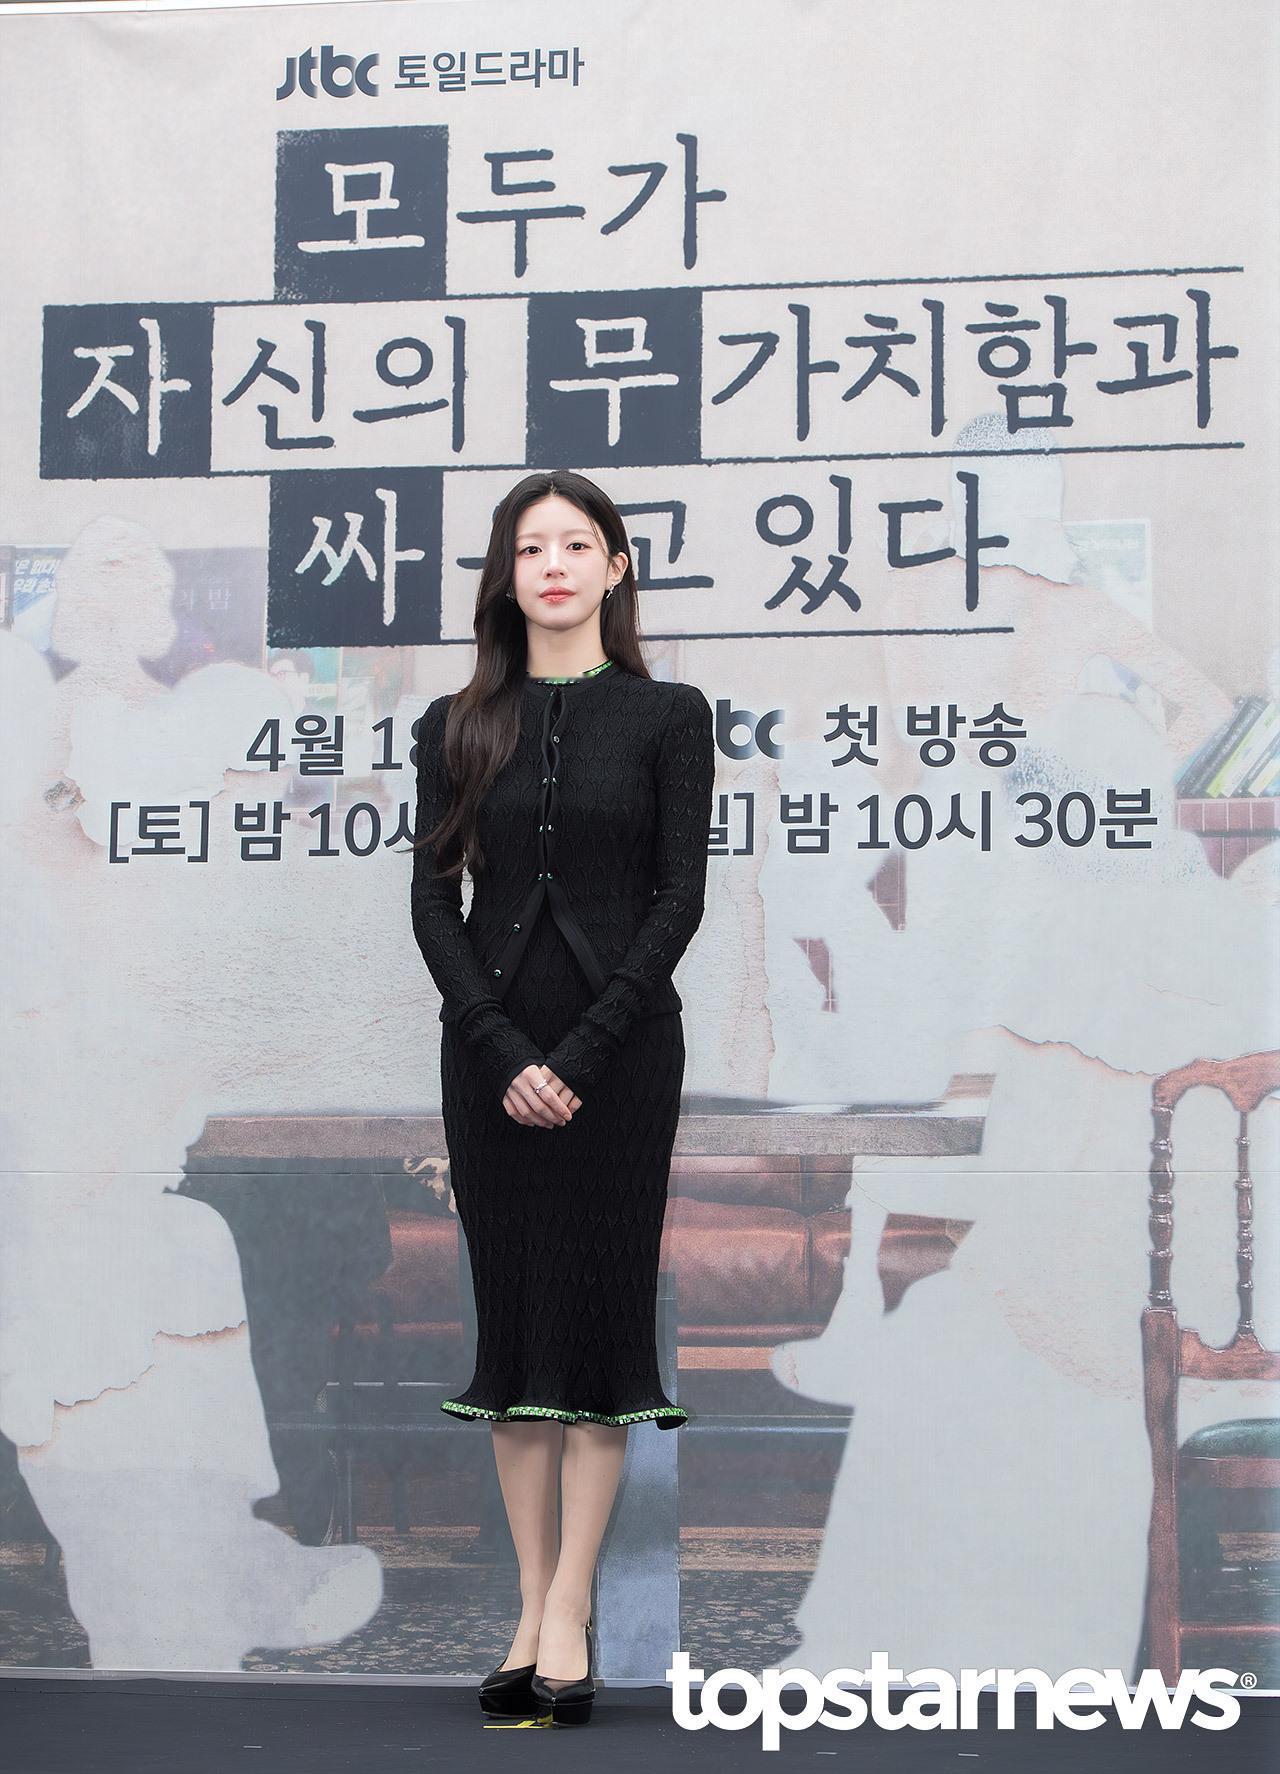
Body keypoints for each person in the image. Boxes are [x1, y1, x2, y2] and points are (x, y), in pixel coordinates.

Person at [409, 470, 715, 1725]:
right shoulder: (455, 722)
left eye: (575, 544)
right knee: (516, 1331)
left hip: (621, 1060)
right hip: (487, 1061)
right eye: (528, 546)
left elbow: (677, 899)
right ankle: (530, 1605)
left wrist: (580, 1056)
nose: (551, 564)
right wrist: (497, 1046)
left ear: (614, 567)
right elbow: (433, 900)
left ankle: (572, 1603)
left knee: (594, 1327)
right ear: (504, 573)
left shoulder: (667, 716)